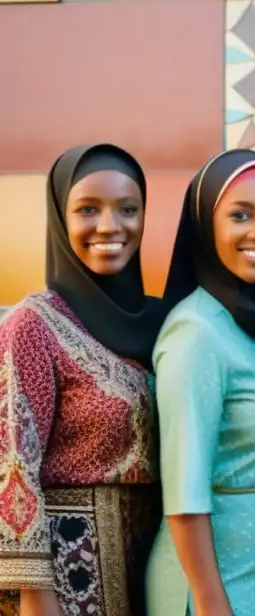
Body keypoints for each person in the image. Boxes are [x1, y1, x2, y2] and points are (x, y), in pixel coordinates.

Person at [0, 144, 164, 615]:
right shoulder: (33, 325)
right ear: (60, 217)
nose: (110, 226)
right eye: (88, 209)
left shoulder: (161, 323)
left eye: (127, 209)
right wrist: (36, 603)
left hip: (152, 570)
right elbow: (13, 475)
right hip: (72, 584)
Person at [145, 149, 255, 616]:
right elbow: (184, 490)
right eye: (241, 215)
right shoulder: (196, 332)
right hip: (218, 582)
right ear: (205, 225)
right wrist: (213, 603)